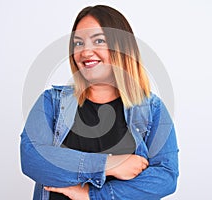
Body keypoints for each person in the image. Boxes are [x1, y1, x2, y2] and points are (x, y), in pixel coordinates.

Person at [20, 5, 179, 200]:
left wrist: (92, 195)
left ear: (122, 47)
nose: (86, 51)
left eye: (99, 41)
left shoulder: (151, 109)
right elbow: (32, 160)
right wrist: (109, 165)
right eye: (78, 43)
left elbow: (166, 177)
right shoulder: (52, 102)